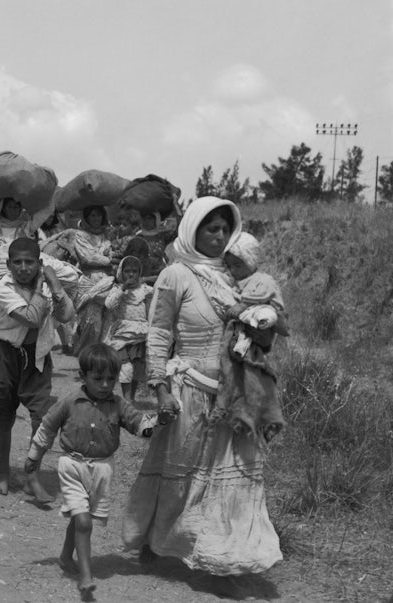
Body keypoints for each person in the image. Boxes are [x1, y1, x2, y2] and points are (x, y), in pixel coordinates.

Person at [122, 197, 283, 592]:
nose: (220, 236)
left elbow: (255, 332)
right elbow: (159, 334)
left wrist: (264, 331)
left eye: (226, 229)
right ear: (193, 229)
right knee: (179, 476)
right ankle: (157, 541)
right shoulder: (175, 275)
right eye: (211, 228)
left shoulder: (237, 278)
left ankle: (223, 561)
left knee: (230, 478)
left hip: (232, 394)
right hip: (188, 388)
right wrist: (159, 389)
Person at [25, 343, 157, 598]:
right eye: (98, 378)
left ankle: (65, 556)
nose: (106, 384)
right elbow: (47, 428)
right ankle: (86, 577)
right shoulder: (70, 402)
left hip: (102, 470)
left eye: (111, 379)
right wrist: (33, 457)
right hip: (72, 466)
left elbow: (137, 422)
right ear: (83, 377)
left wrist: (154, 424)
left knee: (80, 516)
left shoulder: (118, 404)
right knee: (84, 522)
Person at [0, 237, 75, 501]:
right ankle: (3, 473)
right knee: (6, 417)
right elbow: (32, 319)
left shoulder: (46, 285)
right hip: (4, 355)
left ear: (39, 264)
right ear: (9, 264)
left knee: (41, 419)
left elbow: (66, 315)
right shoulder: (3, 288)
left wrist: (54, 283)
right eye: (17, 262)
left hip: (37, 358)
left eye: (29, 262)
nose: (23, 268)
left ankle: (32, 474)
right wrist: (43, 288)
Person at [216, 231, 288, 443]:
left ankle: (267, 418)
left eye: (238, 265)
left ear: (251, 261)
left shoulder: (261, 280)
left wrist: (237, 307)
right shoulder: (240, 280)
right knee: (236, 373)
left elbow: (254, 299)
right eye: (230, 266)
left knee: (256, 377)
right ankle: (243, 415)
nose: (234, 270)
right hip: (245, 334)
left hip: (259, 329)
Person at [103, 255, 153, 400]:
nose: (131, 274)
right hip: (122, 334)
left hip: (140, 334)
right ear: (121, 273)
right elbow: (109, 304)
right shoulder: (117, 290)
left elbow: (151, 309)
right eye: (127, 271)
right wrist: (123, 288)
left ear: (139, 273)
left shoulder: (145, 290)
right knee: (126, 367)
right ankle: (126, 399)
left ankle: (131, 398)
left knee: (137, 367)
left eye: (135, 271)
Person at [71, 205, 113, 355]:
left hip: (108, 280)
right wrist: (109, 259)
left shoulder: (107, 234)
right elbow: (87, 258)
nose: (96, 219)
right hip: (90, 280)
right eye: (92, 216)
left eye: (98, 215)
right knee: (90, 320)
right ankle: (86, 353)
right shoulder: (80, 235)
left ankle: (102, 355)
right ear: (87, 218)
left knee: (107, 319)